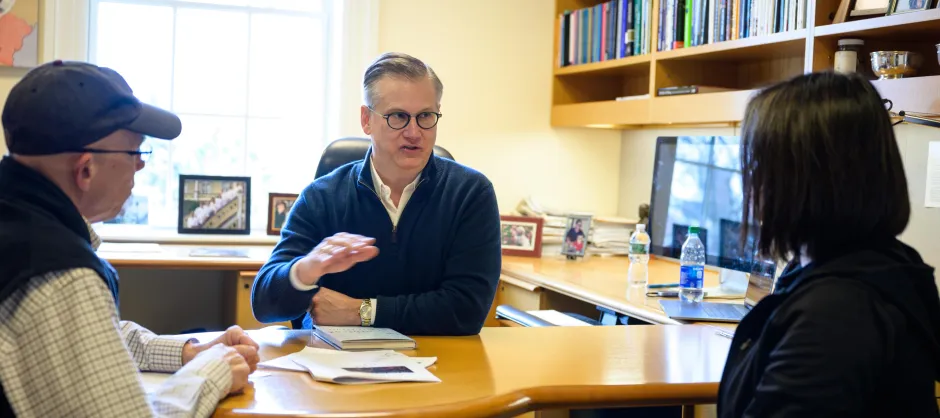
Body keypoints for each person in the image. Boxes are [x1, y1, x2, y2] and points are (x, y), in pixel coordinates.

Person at [0, 60, 261, 417]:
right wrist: (211, 372)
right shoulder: (61, 274)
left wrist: (190, 352)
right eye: (135, 151)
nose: (141, 164)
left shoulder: (19, 227)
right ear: (85, 169)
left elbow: (85, 340)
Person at [718, 71, 940, 417]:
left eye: (759, 164)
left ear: (803, 180)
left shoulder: (835, 315)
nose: (750, 181)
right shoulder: (884, 265)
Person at [251, 52, 501, 336]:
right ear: (366, 119)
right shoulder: (321, 197)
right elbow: (264, 306)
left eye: (425, 116)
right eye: (398, 116)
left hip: (438, 358)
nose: (414, 132)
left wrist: (361, 312)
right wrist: (305, 269)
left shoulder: (470, 193)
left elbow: (467, 310)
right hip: (335, 359)